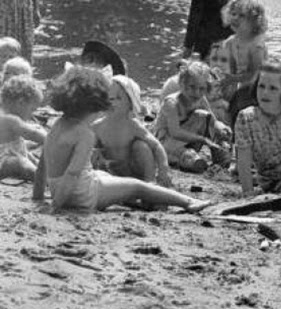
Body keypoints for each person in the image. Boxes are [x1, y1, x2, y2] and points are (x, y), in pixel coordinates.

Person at [33, 65, 211, 213]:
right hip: (82, 195)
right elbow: (72, 174)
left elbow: (43, 163)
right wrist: (56, 206)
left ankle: (134, 199)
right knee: (136, 185)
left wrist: (38, 196)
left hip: (62, 189)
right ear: (93, 107)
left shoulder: (57, 125)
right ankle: (187, 202)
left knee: (102, 175)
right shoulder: (85, 134)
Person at [235, 61, 281, 197]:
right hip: (266, 179)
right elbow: (243, 160)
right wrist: (248, 192)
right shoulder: (246, 118)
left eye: (273, 88)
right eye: (261, 86)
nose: (265, 93)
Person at [92, 76, 172, 186]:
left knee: (141, 146)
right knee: (92, 151)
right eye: (108, 97)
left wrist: (163, 169)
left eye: (118, 98)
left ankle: (149, 181)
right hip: (110, 169)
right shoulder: (98, 126)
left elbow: (157, 146)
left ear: (130, 105)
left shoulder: (133, 126)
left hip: (133, 170)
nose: (111, 101)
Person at [154, 61, 231, 173]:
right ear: (182, 84)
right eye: (192, 87)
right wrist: (202, 139)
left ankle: (218, 154)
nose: (196, 93)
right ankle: (188, 158)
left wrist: (221, 128)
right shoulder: (171, 103)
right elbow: (175, 132)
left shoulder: (201, 99)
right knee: (193, 160)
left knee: (203, 116)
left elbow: (213, 121)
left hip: (189, 140)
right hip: (167, 142)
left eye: (201, 89)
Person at [220, 0, 268, 128]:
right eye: (233, 14)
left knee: (242, 108)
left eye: (242, 16)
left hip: (260, 87)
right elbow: (232, 71)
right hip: (242, 87)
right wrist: (226, 86)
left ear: (254, 21)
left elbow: (255, 74)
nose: (235, 18)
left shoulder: (256, 44)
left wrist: (231, 79)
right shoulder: (230, 42)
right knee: (226, 105)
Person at [0, 75, 46, 181]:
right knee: (20, 162)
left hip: (8, 152)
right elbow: (31, 134)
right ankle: (42, 178)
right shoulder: (12, 120)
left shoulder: (5, 116)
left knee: (29, 156)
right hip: (3, 160)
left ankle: (41, 170)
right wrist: (50, 138)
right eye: (32, 109)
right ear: (20, 103)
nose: (32, 115)